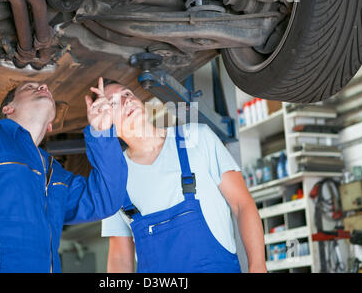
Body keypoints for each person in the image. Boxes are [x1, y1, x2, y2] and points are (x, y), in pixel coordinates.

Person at [0, 78, 127, 273]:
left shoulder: (55, 173)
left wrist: (102, 133)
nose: (43, 86)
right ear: (8, 109)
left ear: (50, 125)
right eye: (29, 87)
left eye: (47, 90)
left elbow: (105, 199)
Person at [100, 79, 267, 273]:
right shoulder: (112, 179)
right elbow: (120, 255)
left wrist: (258, 267)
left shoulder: (197, 138)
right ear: (104, 123)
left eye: (127, 94)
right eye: (113, 103)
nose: (126, 101)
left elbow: (242, 204)